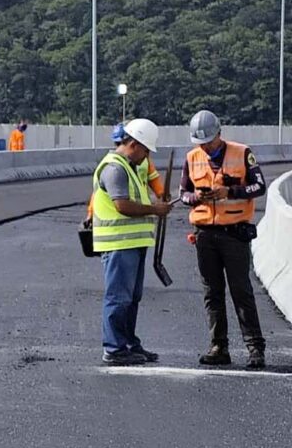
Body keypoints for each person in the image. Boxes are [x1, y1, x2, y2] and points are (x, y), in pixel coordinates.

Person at [181, 109, 267, 368]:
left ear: (219, 133)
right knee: (212, 292)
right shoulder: (192, 157)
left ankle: (255, 347)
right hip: (205, 234)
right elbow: (184, 192)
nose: (205, 147)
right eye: (200, 143)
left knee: (241, 291)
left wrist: (229, 192)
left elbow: (259, 187)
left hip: (234, 233)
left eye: (208, 141)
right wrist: (195, 198)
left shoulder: (242, 153)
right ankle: (218, 346)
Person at [92, 117, 172, 365]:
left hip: (132, 244)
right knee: (118, 297)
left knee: (131, 297)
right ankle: (114, 348)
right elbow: (122, 205)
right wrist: (154, 210)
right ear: (134, 144)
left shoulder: (132, 166)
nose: (147, 156)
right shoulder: (115, 168)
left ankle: (128, 343)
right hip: (118, 244)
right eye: (146, 150)